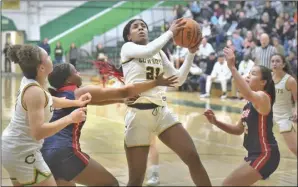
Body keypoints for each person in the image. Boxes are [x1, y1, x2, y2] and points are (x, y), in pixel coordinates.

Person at [41, 63, 178, 186]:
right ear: (69, 80)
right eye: (76, 72)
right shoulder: (79, 92)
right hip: (65, 152)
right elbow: (122, 91)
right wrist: (155, 82)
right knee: (110, 183)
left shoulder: (56, 96)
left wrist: (122, 100)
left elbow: (99, 99)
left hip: (45, 153)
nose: (79, 74)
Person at [120, 18, 211, 186]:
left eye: (144, 26)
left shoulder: (159, 53)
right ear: (129, 36)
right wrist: (170, 32)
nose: (141, 28)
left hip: (162, 113)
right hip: (138, 116)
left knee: (192, 156)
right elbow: (147, 51)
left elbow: (178, 80)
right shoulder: (128, 48)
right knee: (136, 179)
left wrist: (191, 53)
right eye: (136, 27)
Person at [1, 44, 91, 186]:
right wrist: (70, 118)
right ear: (42, 68)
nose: (51, 59)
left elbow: (49, 100)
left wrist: (76, 102)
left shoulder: (32, 83)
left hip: (12, 148)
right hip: (23, 152)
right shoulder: (34, 92)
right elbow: (38, 132)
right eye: (48, 57)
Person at [204, 47, 280, 186]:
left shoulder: (264, 98)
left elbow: (247, 93)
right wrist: (216, 122)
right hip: (255, 154)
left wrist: (232, 67)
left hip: (266, 153)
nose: (249, 75)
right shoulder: (248, 104)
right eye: (249, 73)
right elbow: (237, 130)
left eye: (254, 73)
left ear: (263, 82)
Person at [271, 54, 297, 156]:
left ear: (283, 64)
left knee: (293, 148)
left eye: (277, 61)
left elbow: (296, 98)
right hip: (271, 115)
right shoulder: (269, 77)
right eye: (272, 61)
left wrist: (296, 110)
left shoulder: (290, 80)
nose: (274, 64)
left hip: (285, 116)